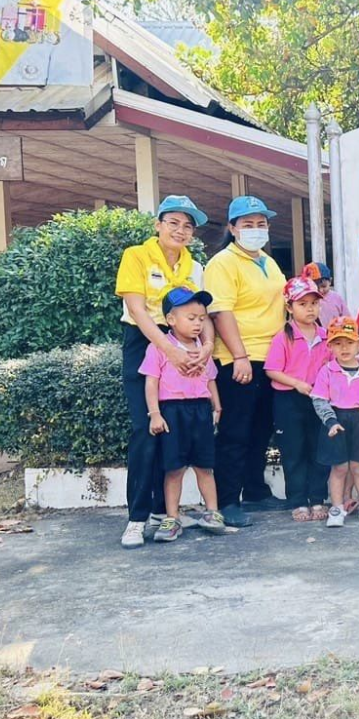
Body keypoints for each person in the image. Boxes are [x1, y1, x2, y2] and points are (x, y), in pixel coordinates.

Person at [114, 194, 210, 550]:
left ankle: (162, 513)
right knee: (145, 430)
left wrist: (206, 347)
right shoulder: (136, 256)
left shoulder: (195, 267)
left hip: (185, 344)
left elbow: (203, 315)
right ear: (158, 224)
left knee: (174, 430)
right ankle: (137, 519)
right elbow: (137, 310)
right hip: (146, 342)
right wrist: (169, 349)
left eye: (188, 226)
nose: (180, 231)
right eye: (173, 223)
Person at [206, 195, 286, 527]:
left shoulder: (267, 261)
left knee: (261, 429)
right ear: (232, 228)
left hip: (272, 359)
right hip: (240, 358)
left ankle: (255, 489)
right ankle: (227, 500)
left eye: (261, 224)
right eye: (248, 224)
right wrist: (238, 355)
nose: (256, 230)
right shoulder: (223, 263)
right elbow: (220, 311)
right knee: (235, 432)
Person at [141, 287, 225, 542]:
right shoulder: (159, 348)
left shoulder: (203, 349)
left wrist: (216, 406)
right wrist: (155, 414)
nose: (198, 324)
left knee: (205, 466)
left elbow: (210, 379)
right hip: (172, 412)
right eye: (191, 318)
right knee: (174, 469)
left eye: (201, 318)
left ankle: (212, 512)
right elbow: (151, 382)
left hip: (200, 410)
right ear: (171, 319)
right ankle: (172, 517)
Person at [264, 277, 330, 522]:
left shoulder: (326, 336)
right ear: (289, 307)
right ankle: (298, 501)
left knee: (318, 449)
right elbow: (272, 370)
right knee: (293, 451)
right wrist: (297, 384)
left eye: (314, 303)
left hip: (318, 399)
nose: (310, 309)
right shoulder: (283, 337)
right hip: (288, 399)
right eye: (303, 304)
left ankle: (318, 499)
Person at [312, 318, 359, 528]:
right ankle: (337, 509)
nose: (344, 348)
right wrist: (330, 421)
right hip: (337, 422)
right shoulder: (327, 371)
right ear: (330, 347)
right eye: (338, 343)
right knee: (340, 468)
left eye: (349, 342)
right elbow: (319, 399)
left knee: (358, 467)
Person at [304, 261, 348, 326]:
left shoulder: (336, 298)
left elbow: (347, 318)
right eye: (316, 287)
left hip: (336, 331)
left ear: (330, 281)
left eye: (324, 286)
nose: (320, 290)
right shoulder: (309, 299)